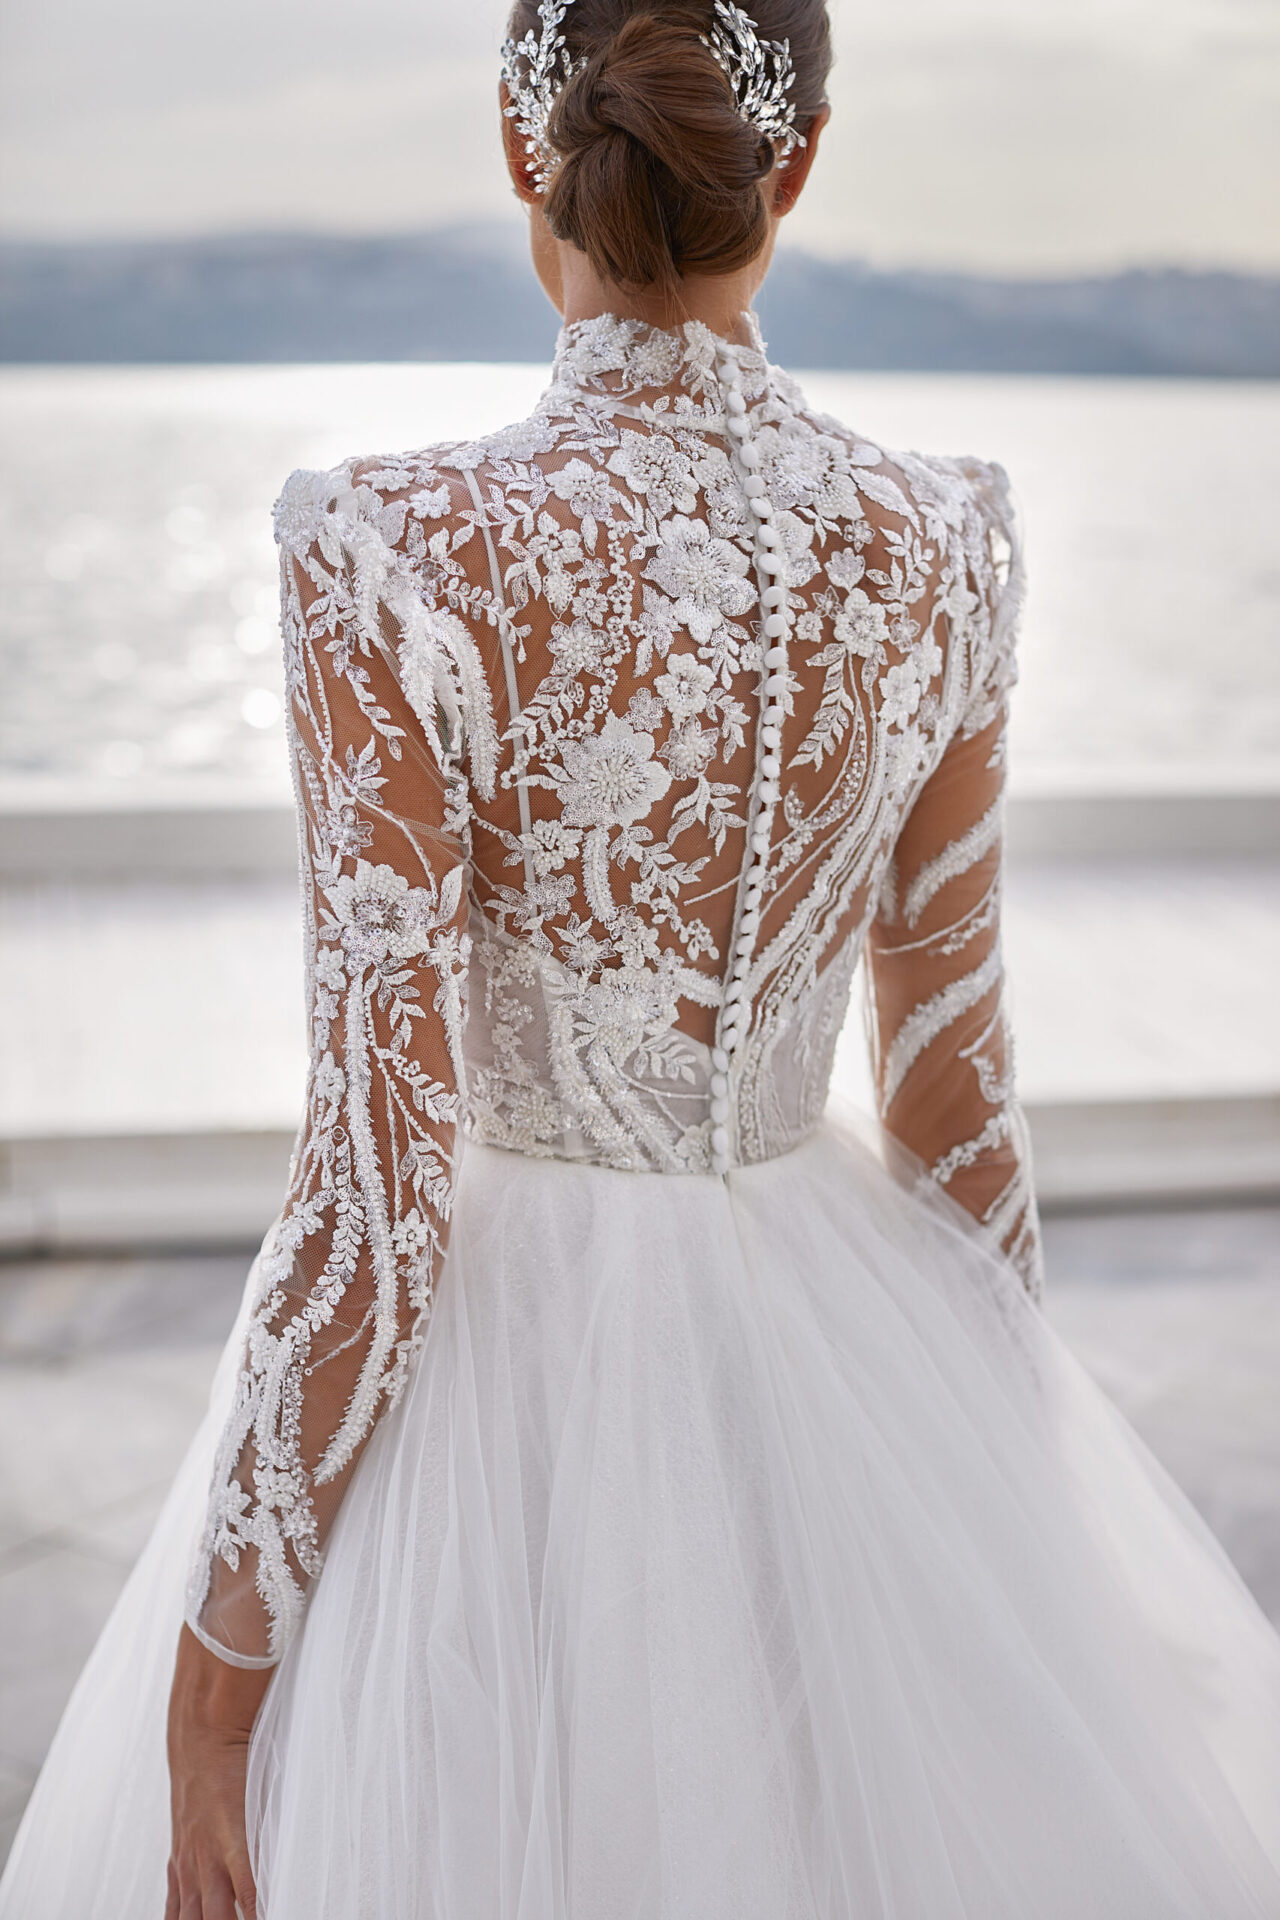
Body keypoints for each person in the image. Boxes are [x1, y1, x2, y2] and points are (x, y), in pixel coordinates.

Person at [4, 2, 1280, 1914]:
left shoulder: (390, 550)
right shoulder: (942, 545)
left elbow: (382, 1176)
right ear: (803, 165)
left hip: (483, 1434)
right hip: (838, 1400)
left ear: (526, 156)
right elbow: (958, 1107)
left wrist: (216, 1694)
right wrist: (1015, 1513)